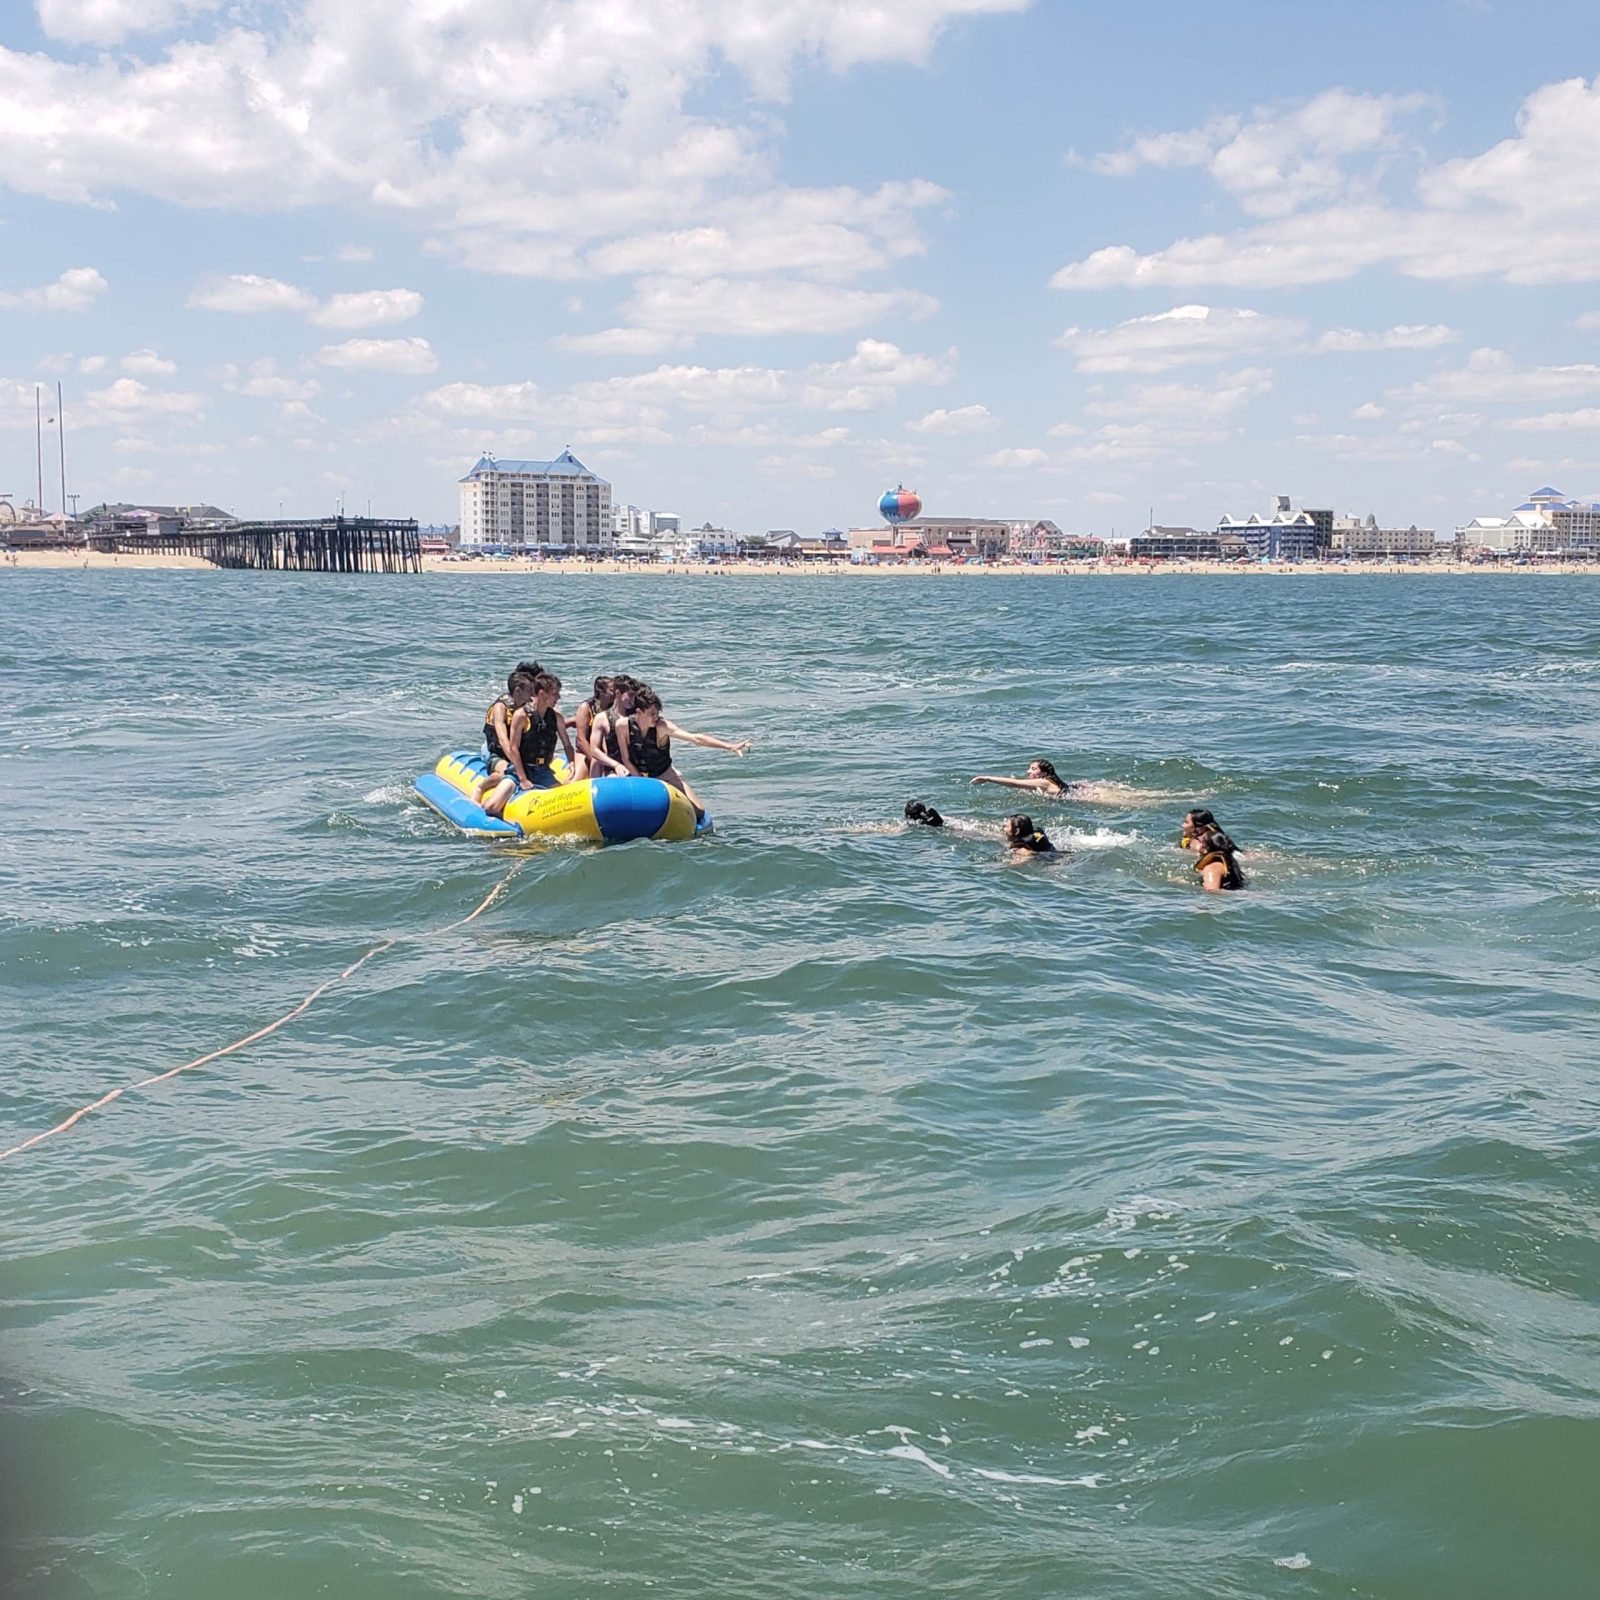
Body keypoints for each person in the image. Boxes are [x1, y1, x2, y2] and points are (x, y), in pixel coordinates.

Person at [616, 687, 751, 821]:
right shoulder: (622, 726)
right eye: (652, 714)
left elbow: (695, 739)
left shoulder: (662, 727)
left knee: (699, 812)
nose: (656, 717)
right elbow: (625, 759)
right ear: (639, 712)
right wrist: (643, 783)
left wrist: (730, 746)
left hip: (664, 774)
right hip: (637, 776)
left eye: (657, 712)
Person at [481, 672, 574, 816]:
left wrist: (572, 763)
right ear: (542, 694)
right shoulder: (521, 716)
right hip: (520, 770)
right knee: (491, 807)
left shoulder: (556, 717)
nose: (558, 698)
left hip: (543, 771)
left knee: (564, 808)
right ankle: (488, 797)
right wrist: (523, 779)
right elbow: (513, 748)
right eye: (555, 694)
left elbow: (567, 745)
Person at [470, 667, 536, 804]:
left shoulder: (525, 707)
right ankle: (481, 788)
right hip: (494, 751)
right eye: (529, 690)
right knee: (505, 772)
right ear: (518, 691)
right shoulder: (500, 708)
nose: (533, 694)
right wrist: (516, 764)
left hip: (512, 751)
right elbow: (502, 739)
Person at [572, 675, 627, 780]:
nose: (615, 693)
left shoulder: (613, 709)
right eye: (612, 690)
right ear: (601, 691)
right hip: (586, 751)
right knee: (576, 780)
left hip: (605, 753)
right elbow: (581, 739)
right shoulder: (586, 707)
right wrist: (594, 758)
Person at [589, 674, 640, 779]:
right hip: (614, 768)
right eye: (630, 695)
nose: (633, 700)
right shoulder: (602, 718)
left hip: (637, 767)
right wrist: (615, 765)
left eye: (635, 696)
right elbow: (594, 749)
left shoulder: (637, 717)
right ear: (618, 693)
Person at [970, 758, 1071, 797]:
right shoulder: (1050, 781)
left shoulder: (1044, 782)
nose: (1028, 771)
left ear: (1044, 773)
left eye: (1033, 769)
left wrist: (988, 778)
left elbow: (1015, 783)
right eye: (1029, 768)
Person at [1192, 827, 1245, 891]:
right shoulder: (1230, 861)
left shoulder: (1212, 868)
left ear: (1205, 849)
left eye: (1200, 842)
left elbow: (1213, 892)